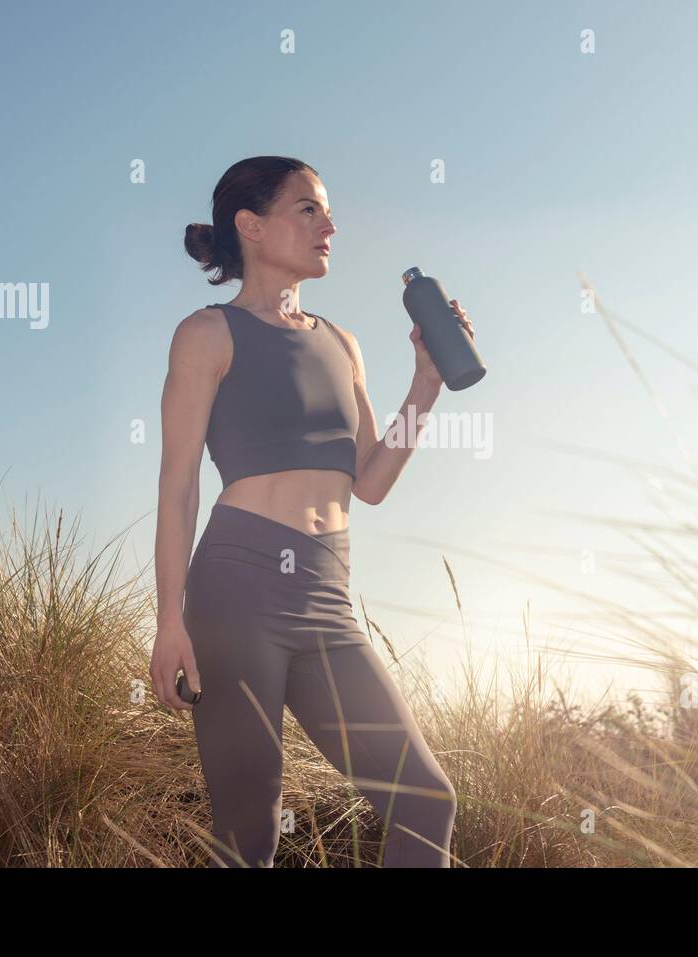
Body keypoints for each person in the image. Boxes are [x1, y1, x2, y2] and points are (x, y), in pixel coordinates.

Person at [151, 155, 475, 867]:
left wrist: (425, 382)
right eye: (309, 209)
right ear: (251, 225)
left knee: (425, 799)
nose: (330, 225)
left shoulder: (342, 343)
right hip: (237, 585)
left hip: (327, 595)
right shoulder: (207, 334)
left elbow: (371, 480)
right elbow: (178, 486)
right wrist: (169, 619)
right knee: (249, 833)